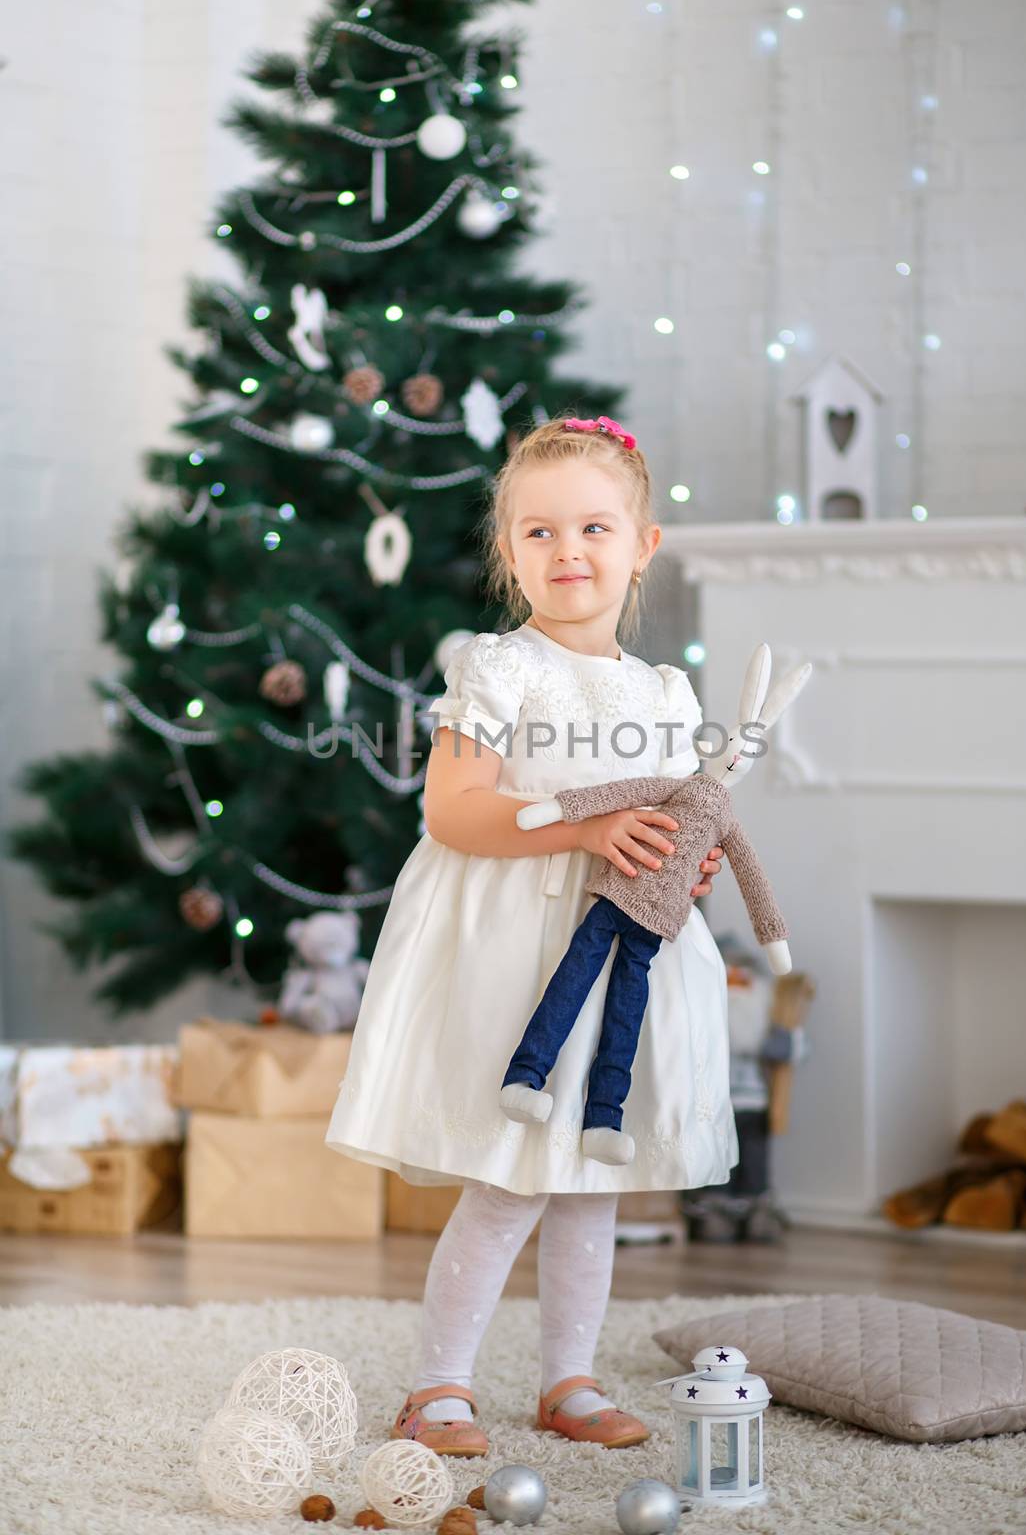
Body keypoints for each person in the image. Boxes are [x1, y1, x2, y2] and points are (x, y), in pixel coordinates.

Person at [325, 412, 735, 1456]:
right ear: (507, 551)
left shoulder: (664, 689)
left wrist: (686, 856)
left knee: (589, 1182)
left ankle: (569, 1378)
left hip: (617, 951)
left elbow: (679, 809)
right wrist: (583, 824)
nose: (568, 552)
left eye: (594, 528)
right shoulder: (498, 671)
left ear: (642, 545)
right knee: (510, 1175)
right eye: (539, 533)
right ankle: (438, 1386)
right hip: (520, 950)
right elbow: (452, 809)